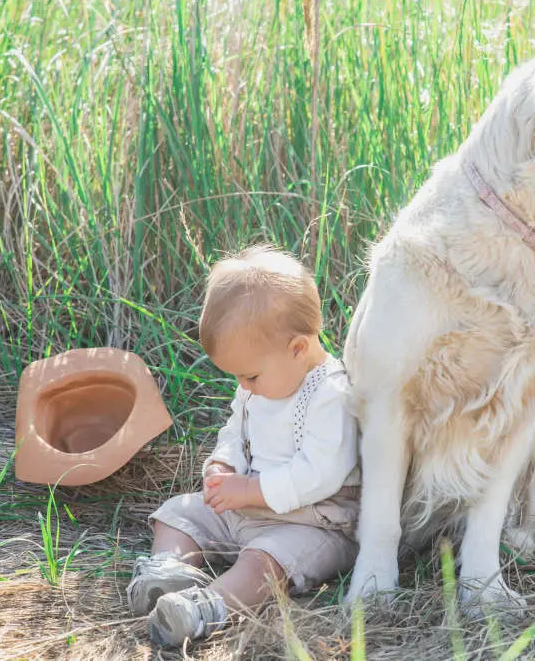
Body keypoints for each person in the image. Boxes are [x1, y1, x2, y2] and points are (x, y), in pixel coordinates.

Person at [126, 245, 360, 647]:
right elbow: (237, 429)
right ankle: (170, 571)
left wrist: (251, 490)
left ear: (298, 349)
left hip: (310, 523)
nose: (243, 386)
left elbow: (320, 473)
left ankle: (207, 609)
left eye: (249, 376)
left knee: (263, 565)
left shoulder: (330, 394)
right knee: (177, 513)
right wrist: (223, 465)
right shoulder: (259, 383)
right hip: (244, 506)